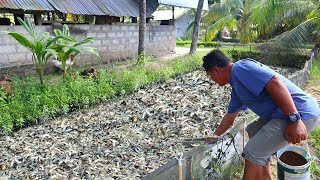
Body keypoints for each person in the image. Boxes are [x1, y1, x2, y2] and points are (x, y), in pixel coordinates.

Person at [203, 49, 320, 180]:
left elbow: (275, 83)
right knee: (253, 130)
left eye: (210, 75)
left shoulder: (241, 68)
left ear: (216, 70)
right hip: (282, 115)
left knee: (252, 153)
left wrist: (295, 120)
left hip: (301, 112)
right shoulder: (236, 87)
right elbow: (229, 118)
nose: (212, 79)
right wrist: (215, 137)